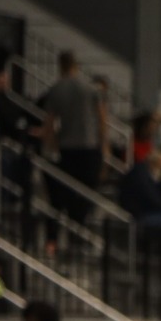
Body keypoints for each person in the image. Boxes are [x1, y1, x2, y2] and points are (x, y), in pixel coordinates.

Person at [38, 51, 104, 225]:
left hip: (67, 147)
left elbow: (50, 123)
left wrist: (51, 147)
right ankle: (81, 224)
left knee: (68, 190)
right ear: (76, 65)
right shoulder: (90, 88)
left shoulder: (56, 89)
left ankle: (71, 223)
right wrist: (105, 147)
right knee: (86, 193)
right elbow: (102, 119)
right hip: (89, 146)